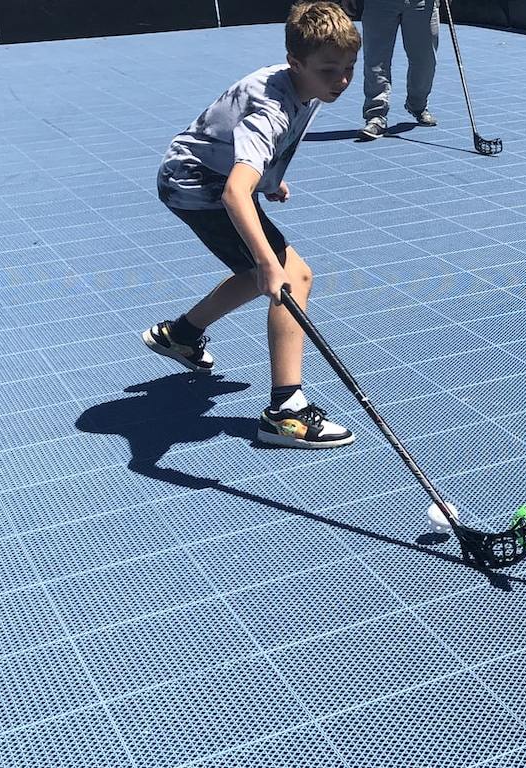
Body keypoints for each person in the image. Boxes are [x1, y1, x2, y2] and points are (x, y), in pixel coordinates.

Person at [141, 1, 360, 450]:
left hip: (208, 173)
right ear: (295, 62)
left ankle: (181, 335)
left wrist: (270, 180)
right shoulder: (271, 108)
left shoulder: (307, 83)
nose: (341, 81)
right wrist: (267, 263)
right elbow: (234, 193)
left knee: (260, 274)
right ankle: (285, 413)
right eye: (330, 71)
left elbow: (265, 151)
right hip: (197, 184)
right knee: (292, 276)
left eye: (348, 69)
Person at [357, 0, 439, 139]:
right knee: (376, 61)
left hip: (422, 3)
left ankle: (417, 104)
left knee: (426, 61)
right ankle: (376, 115)